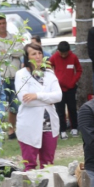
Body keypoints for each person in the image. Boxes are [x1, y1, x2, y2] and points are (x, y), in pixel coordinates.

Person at [15, 43, 62, 171]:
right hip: (29, 124)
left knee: (48, 164)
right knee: (29, 164)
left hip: (49, 124)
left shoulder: (49, 74)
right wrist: (48, 99)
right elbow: (25, 100)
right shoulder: (21, 75)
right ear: (27, 57)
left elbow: (58, 96)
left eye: (40, 53)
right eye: (33, 54)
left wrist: (36, 95)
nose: (38, 57)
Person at [0, 14, 24, 140]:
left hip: (15, 76)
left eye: (3, 23)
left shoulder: (14, 37)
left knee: (15, 105)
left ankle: (13, 129)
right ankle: (0, 130)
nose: (2, 26)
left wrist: (7, 52)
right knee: (1, 106)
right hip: (2, 77)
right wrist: (11, 52)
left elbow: (20, 51)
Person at [49, 41, 83, 139]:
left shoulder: (73, 57)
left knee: (72, 108)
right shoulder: (54, 57)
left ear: (69, 51)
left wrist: (74, 80)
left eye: (65, 53)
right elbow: (48, 67)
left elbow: (79, 70)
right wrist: (54, 80)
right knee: (60, 110)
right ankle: (62, 130)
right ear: (58, 51)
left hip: (71, 88)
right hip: (58, 89)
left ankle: (74, 128)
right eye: (61, 53)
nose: (63, 55)